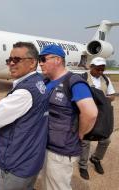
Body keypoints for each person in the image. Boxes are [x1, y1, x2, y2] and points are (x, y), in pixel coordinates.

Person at [0, 42, 49, 190]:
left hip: (15, 165)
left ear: (32, 62)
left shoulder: (24, 92)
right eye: (9, 60)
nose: (11, 63)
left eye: (17, 59)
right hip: (31, 159)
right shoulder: (38, 82)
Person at [38, 44, 98, 190]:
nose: (40, 63)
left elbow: (90, 113)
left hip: (61, 151)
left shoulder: (74, 82)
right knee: (47, 185)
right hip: (44, 145)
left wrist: (81, 133)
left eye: (43, 59)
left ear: (57, 60)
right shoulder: (46, 82)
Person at [78, 57, 115, 180]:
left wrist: (102, 98)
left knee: (105, 140)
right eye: (98, 69)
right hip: (87, 113)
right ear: (91, 67)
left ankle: (96, 159)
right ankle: (83, 165)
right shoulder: (83, 78)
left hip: (102, 114)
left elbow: (112, 96)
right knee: (86, 141)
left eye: (102, 70)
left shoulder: (106, 80)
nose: (100, 72)